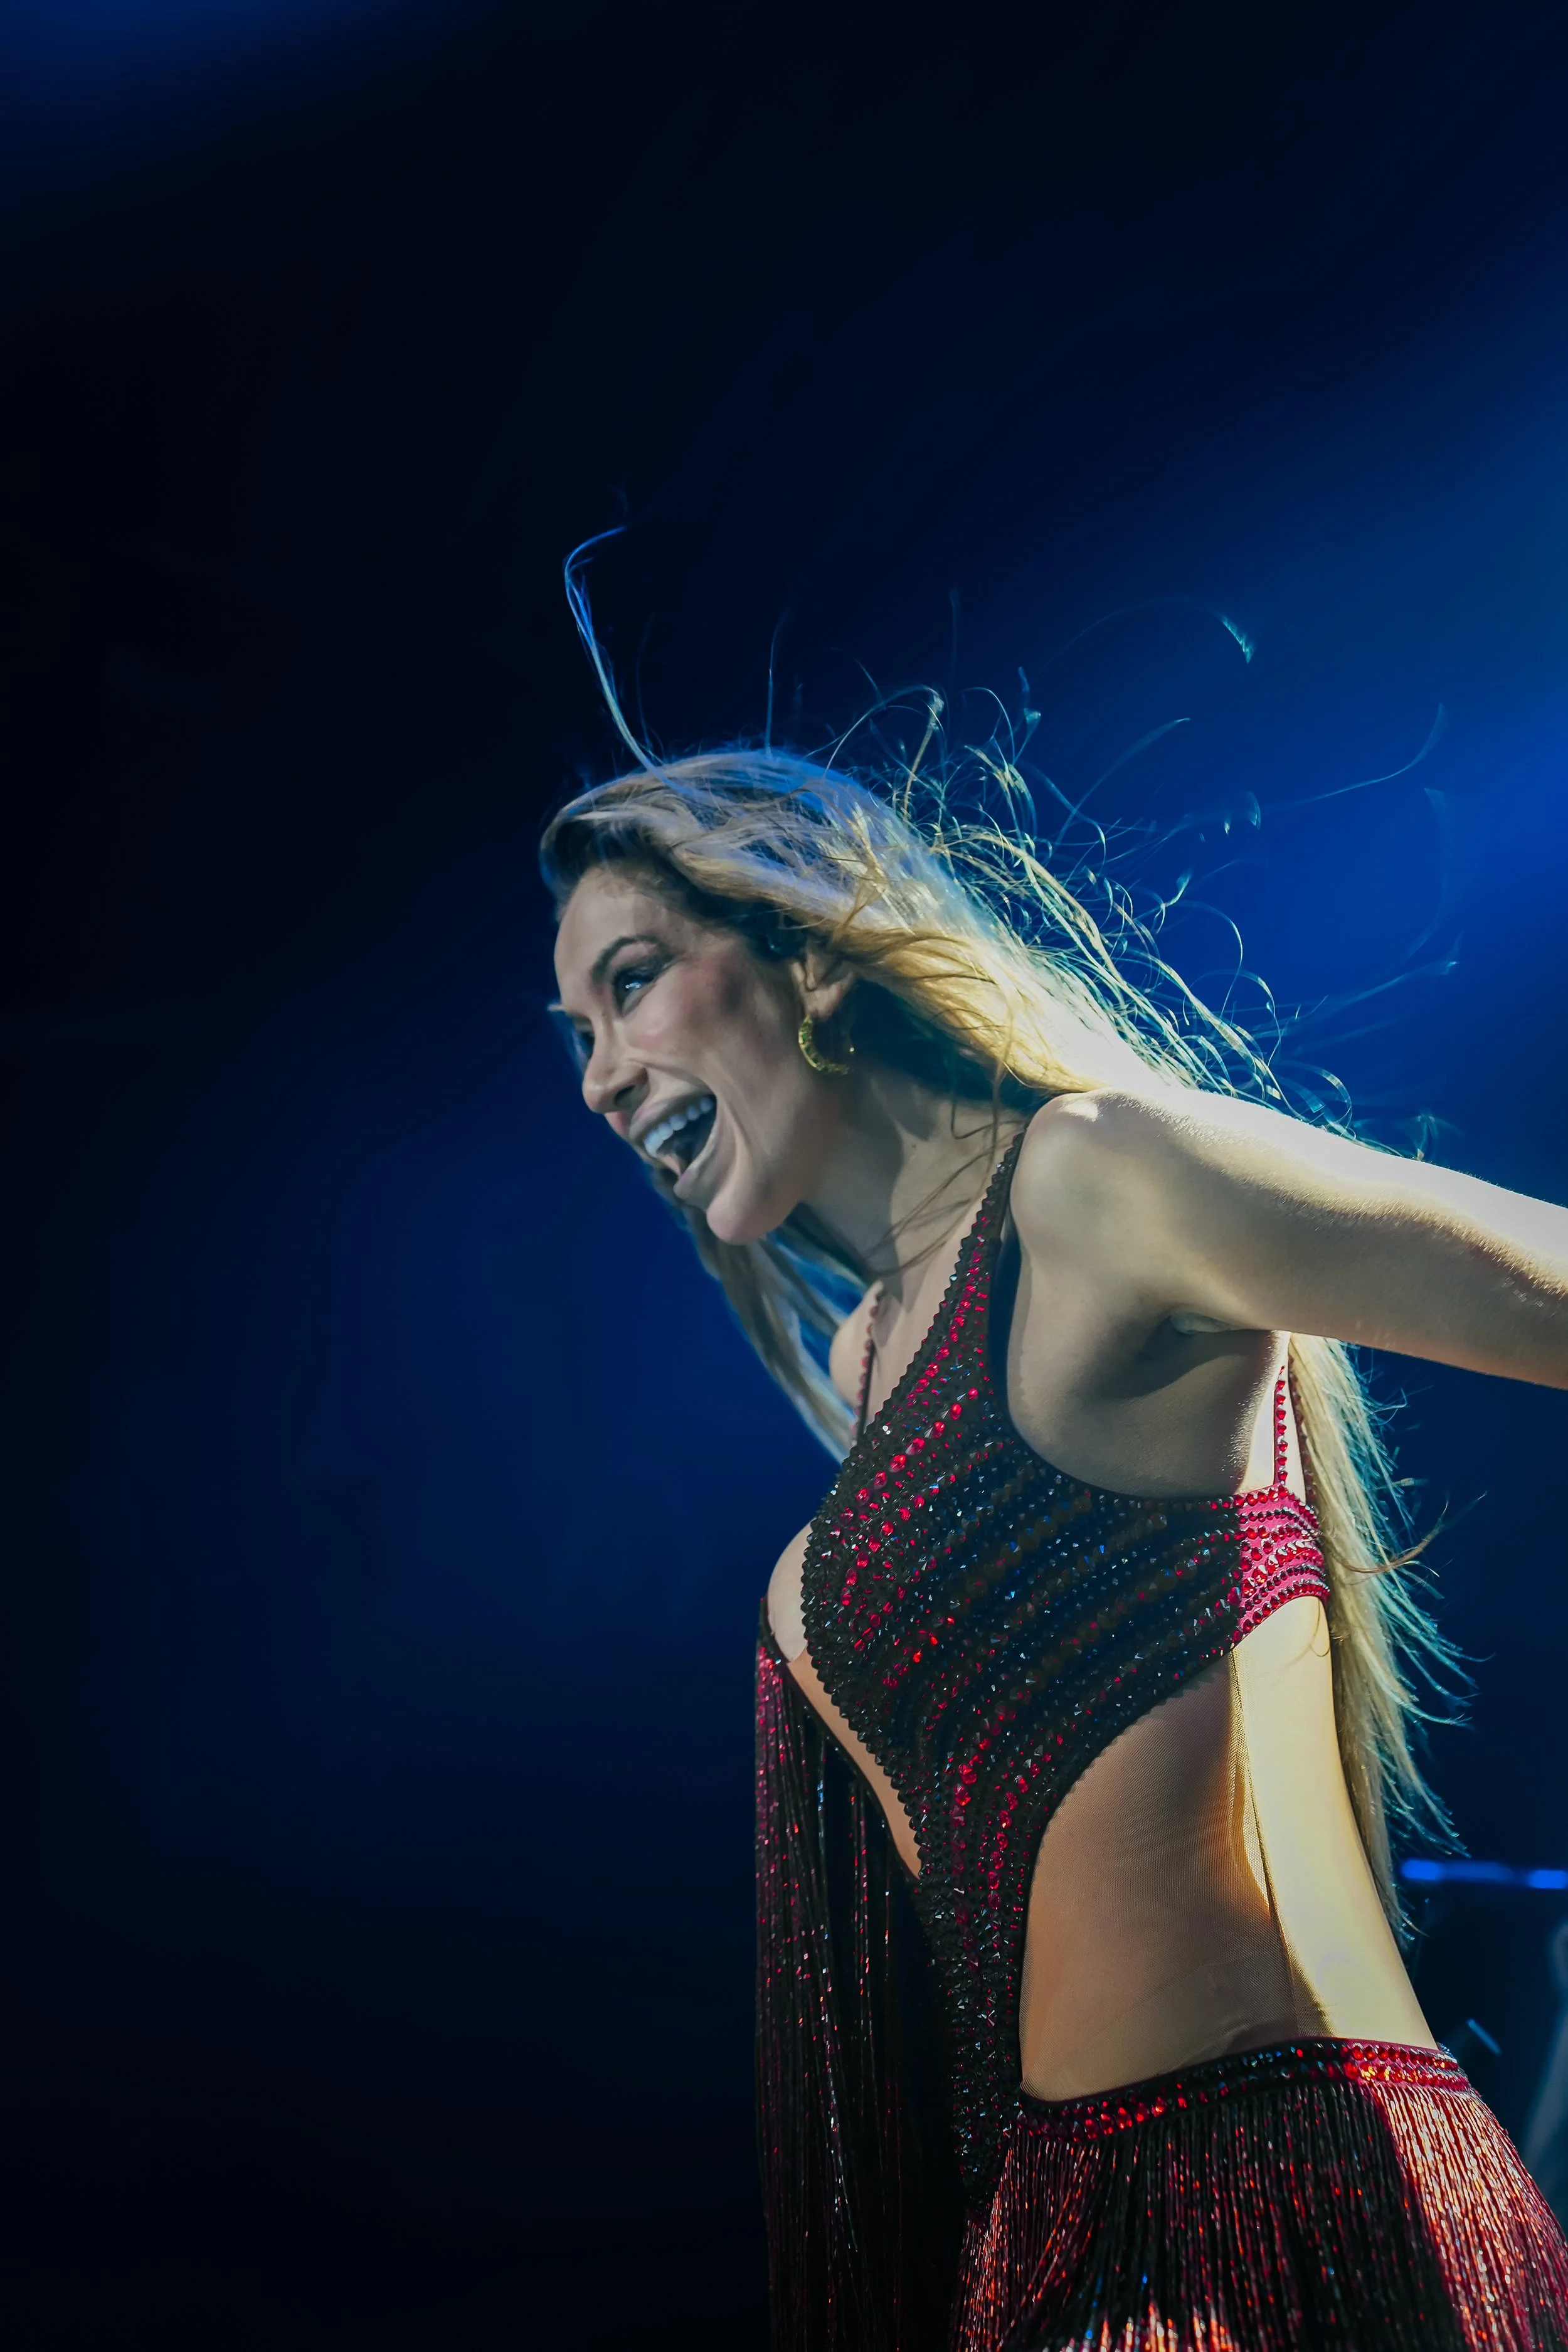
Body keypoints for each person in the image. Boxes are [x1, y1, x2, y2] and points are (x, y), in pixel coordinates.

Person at [543, 741, 1568, 2350]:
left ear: (809, 948)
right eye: (578, 1035)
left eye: (632, 981)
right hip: (1053, 2249)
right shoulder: (865, 1357)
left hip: (1275, 2204)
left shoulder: (1093, 1178)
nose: (599, 1075)